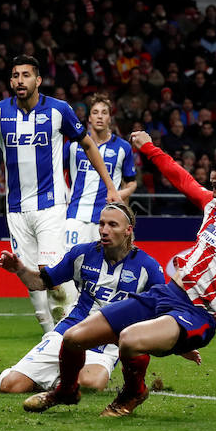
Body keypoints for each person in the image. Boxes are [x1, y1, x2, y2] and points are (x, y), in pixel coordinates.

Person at [22, 131, 216, 418]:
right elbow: (181, 178)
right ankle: (66, 391)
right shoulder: (213, 207)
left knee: (129, 340)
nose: (214, 193)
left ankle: (133, 393)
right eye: (212, 187)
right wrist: (150, 148)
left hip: (197, 314)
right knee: (73, 337)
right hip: (165, 294)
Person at [0, 55, 121, 333]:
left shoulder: (58, 110)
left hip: (51, 207)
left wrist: (110, 186)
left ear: (38, 80)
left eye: (26, 75)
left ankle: (71, 333)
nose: (20, 80)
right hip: (16, 210)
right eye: (16, 75)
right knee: (29, 278)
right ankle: (49, 338)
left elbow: (88, 145)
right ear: (10, 81)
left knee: (50, 276)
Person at [0, 203, 166, 394]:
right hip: (70, 331)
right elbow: (41, 283)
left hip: (107, 341)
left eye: (112, 225)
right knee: (9, 386)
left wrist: (183, 344)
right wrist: (20, 270)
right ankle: (52, 378)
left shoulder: (148, 267)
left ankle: (60, 382)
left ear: (128, 230)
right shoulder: (82, 254)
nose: (104, 230)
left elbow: (164, 310)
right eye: (101, 224)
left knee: (90, 383)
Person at [60, 94, 137, 319]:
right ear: (88, 118)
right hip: (75, 215)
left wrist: (120, 193)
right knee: (69, 265)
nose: (100, 116)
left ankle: (102, 317)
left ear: (110, 118)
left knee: (105, 268)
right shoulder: (74, 146)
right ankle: (68, 315)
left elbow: (131, 181)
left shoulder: (122, 148)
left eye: (104, 112)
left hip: (105, 219)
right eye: (95, 112)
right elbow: (58, 173)